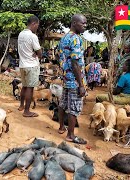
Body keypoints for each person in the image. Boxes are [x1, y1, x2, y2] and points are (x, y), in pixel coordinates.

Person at [58, 14, 87, 144]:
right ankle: (71, 135)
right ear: (74, 23)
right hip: (75, 80)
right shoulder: (76, 39)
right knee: (74, 108)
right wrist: (81, 84)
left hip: (66, 78)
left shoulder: (64, 37)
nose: (85, 26)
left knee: (63, 103)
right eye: (83, 23)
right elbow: (75, 63)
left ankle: (61, 127)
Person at [17, 15, 42, 117]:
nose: (37, 27)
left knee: (24, 86)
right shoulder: (32, 36)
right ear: (33, 24)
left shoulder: (20, 34)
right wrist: (37, 54)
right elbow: (39, 53)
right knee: (30, 88)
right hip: (31, 65)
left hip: (22, 65)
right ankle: (27, 111)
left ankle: (21, 105)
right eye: (37, 25)